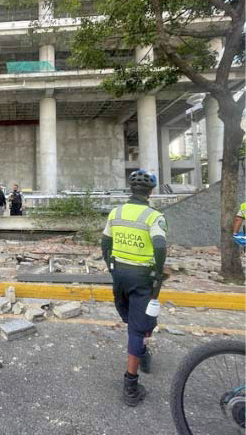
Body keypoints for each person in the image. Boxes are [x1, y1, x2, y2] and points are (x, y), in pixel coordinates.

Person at [101, 169, 167, 407]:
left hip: (120, 275)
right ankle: (131, 386)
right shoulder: (154, 216)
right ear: (150, 191)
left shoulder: (115, 212)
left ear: (131, 189)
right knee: (139, 327)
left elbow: (105, 242)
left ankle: (142, 351)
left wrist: (111, 266)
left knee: (133, 321)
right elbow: (160, 246)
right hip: (142, 277)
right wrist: (158, 273)